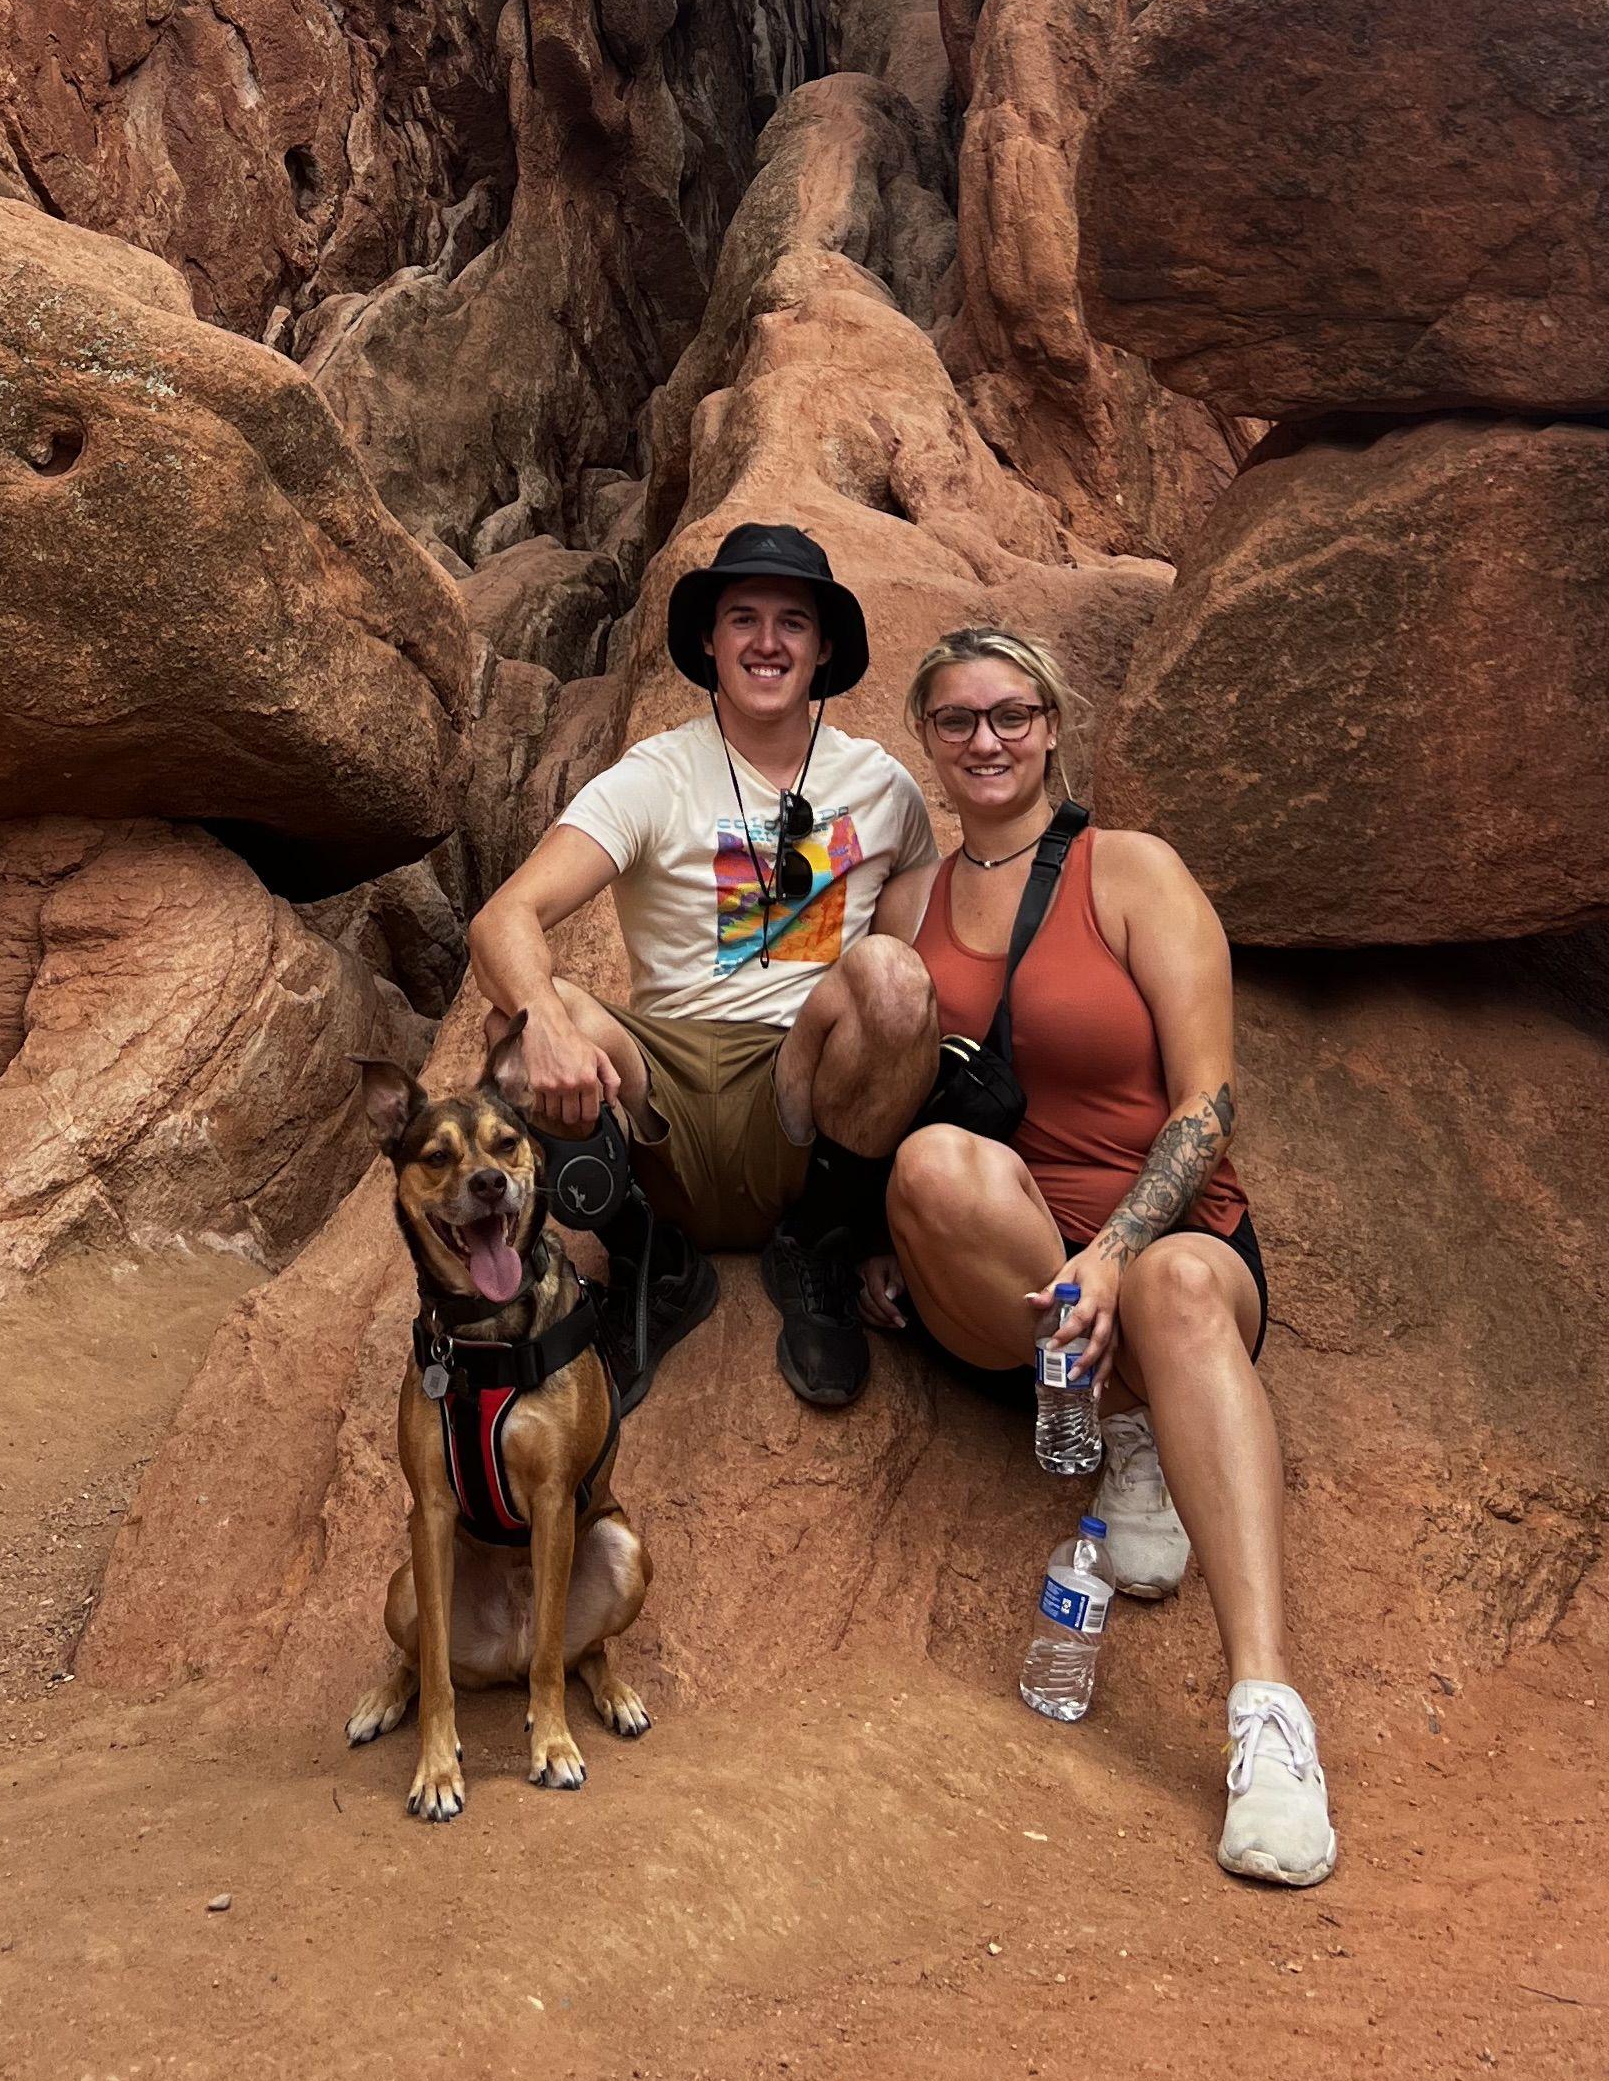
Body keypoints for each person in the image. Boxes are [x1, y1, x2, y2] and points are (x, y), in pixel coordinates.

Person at [880, 624, 1339, 1890]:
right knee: (929, 1169)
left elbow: (1207, 1104)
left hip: (1166, 1229)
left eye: (1011, 715)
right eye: (960, 720)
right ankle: (1116, 1407)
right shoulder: (907, 901)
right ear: (928, 738)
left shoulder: (1130, 872)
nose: (987, 740)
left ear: (1052, 728)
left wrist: (1122, 1251)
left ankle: (1265, 1715)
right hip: (1009, 1266)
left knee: (1185, 1286)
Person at [467, 520, 942, 1408]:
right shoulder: (656, 775)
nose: (767, 643)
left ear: (825, 645)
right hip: (665, 1097)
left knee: (893, 978)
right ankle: (652, 1258)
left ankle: (822, 1248)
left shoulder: (882, 786)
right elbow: (504, 920)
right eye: (743, 619)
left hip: (798, 1098)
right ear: (709, 642)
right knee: (518, 1026)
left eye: (792, 622)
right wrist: (555, 1031)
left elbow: (917, 909)